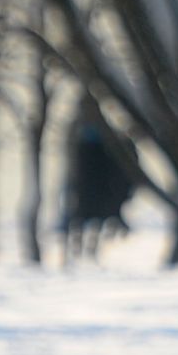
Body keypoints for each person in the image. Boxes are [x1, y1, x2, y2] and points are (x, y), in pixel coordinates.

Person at [61, 98, 136, 262]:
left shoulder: (91, 129)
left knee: (87, 216)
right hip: (87, 176)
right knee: (83, 216)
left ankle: (88, 248)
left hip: (93, 176)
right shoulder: (82, 129)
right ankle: (80, 248)